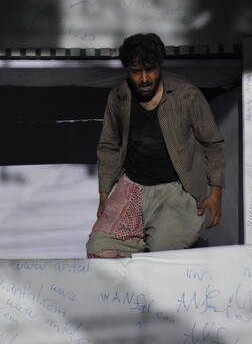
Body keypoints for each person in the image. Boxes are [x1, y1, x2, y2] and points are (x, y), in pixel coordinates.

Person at [86, 33, 225, 258]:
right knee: (99, 249)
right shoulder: (119, 96)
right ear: (127, 70)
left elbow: (213, 143)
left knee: (162, 256)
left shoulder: (186, 95)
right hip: (133, 187)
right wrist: (104, 193)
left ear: (160, 66)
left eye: (150, 70)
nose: (144, 78)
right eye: (136, 71)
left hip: (175, 191)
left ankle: (177, 240)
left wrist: (216, 192)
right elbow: (108, 146)